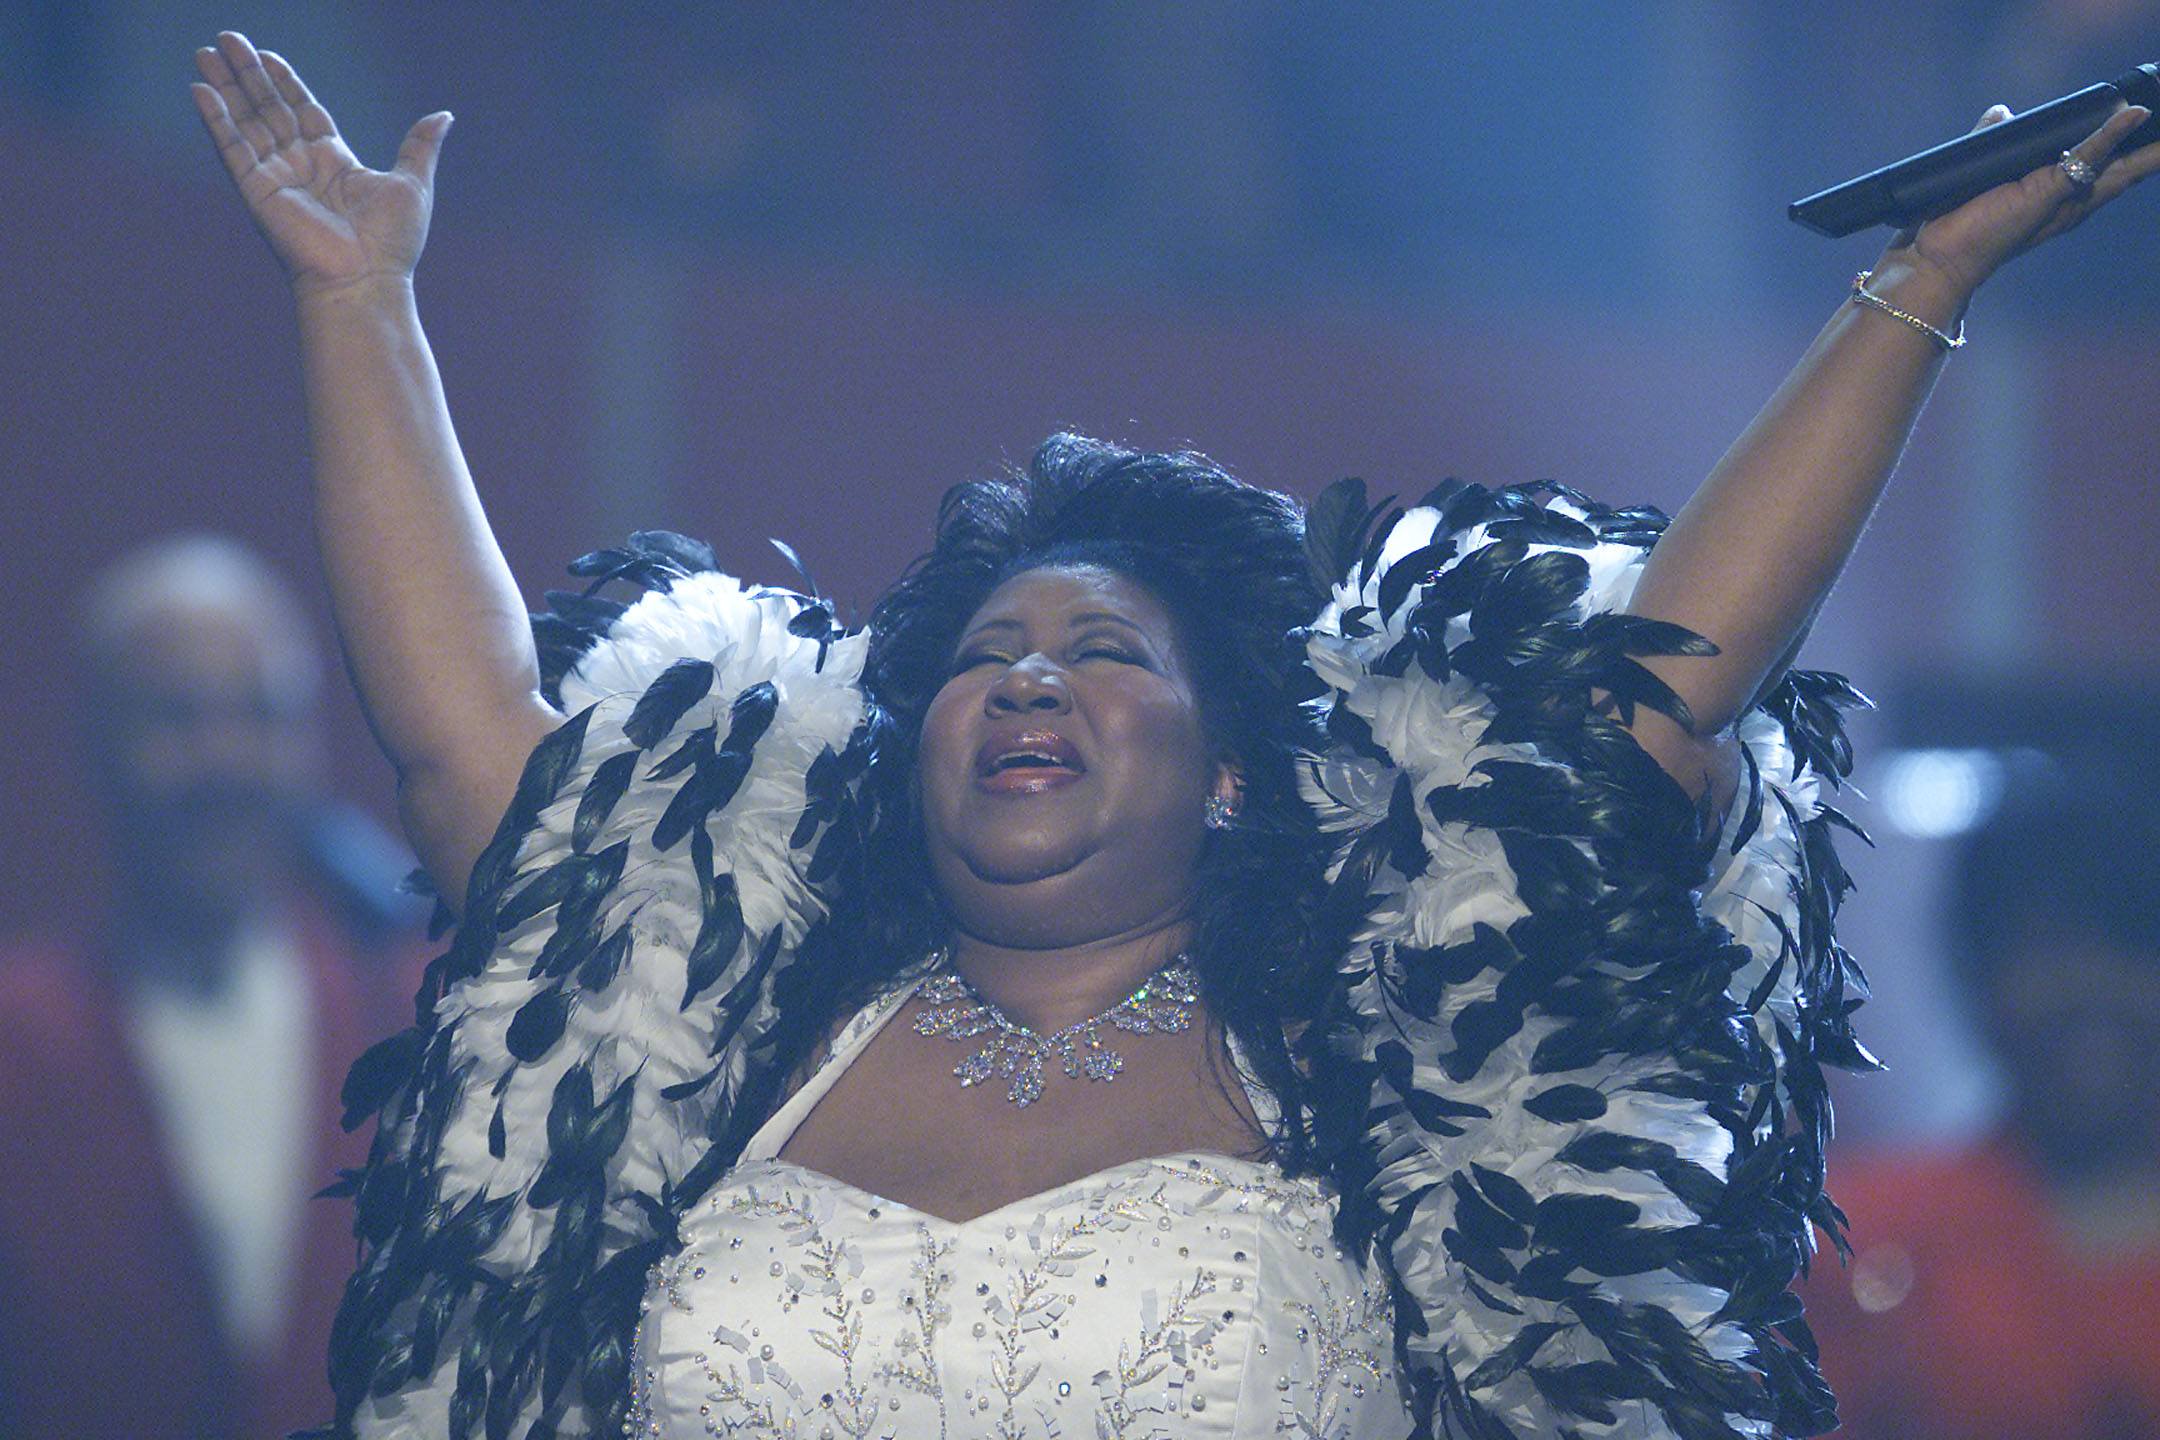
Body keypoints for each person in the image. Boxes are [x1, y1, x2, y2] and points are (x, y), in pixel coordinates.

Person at [185, 28, 2159, 1440]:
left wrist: (1918, 278)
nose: (1027, 677)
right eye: (982, 655)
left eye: (1101, 651)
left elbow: (1658, 685)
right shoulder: (738, 1033)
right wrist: (363, 303)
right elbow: (474, 760)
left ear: (1232, 773)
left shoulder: (1382, 1064)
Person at [0, 536, 425, 1440]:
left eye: (260, 715)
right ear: (96, 742)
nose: (224, 758)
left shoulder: (412, 1021)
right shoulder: (16, 1035)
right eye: (177, 717)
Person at [1800, 782, 2160, 1439]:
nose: (2087, 985)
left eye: (2131, 945)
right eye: (2042, 949)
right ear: (1975, 978)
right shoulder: (1858, 1239)